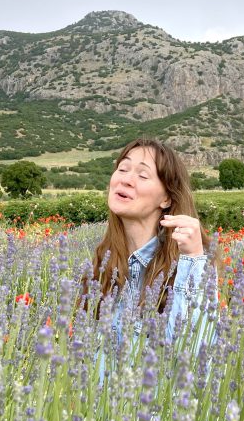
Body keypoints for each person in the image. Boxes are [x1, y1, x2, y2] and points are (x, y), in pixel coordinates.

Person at [84, 137, 213, 348]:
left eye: (143, 175)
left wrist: (193, 260)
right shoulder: (102, 264)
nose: (126, 180)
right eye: (123, 169)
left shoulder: (191, 265)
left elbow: (195, 360)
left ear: (166, 199)